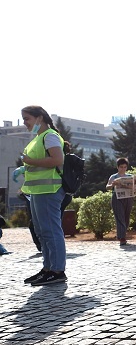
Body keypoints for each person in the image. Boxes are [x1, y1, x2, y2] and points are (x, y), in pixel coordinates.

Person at [19, 105, 68, 286]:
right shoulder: (38, 138)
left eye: (27, 119)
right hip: (38, 191)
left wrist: (29, 161)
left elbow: (57, 160)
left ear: (39, 118)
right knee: (42, 232)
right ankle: (48, 268)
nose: (25, 123)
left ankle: (57, 270)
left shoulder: (50, 136)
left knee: (51, 231)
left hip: (49, 190)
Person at [17, 141, 74, 252]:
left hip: (53, 192)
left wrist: (26, 166)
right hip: (60, 194)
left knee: (43, 224)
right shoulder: (62, 159)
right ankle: (49, 249)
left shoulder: (58, 160)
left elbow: (45, 169)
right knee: (52, 223)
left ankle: (47, 249)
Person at [106, 157, 134, 246]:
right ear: (118, 167)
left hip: (128, 197)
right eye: (121, 167)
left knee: (126, 217)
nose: (123, 169)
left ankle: (122, 234)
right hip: (117, 198)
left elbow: (135, 186)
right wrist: (112, 184)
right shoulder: (114, 177)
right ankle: (122, 238)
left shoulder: (130, 176)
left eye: (125, 167)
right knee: (120, 217)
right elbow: (107, 187)